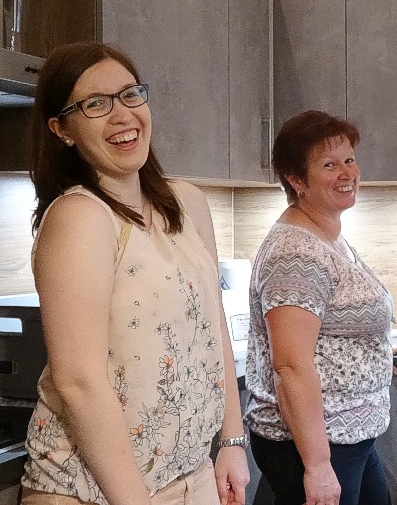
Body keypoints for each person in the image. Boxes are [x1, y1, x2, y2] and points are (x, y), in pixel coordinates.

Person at [21, 41, 250, 505]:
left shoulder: (186, 203)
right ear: (62, 129)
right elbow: (78, 381)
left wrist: (231, 440)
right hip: (92, 491)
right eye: (95, 104)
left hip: (190, 476)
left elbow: (212, 328)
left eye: (130, 94)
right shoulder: (81, 216)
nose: (122, 114)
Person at [243, 110, 394, 505]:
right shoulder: (295, 254)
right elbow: (290, 366)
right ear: (296, 180)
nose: (347, 173)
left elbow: (328, 324)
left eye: (350, 160)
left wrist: (370, 351)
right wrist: (318, 466)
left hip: (346, 432)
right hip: (315, 442)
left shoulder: (326, 234)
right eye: (329, 165)